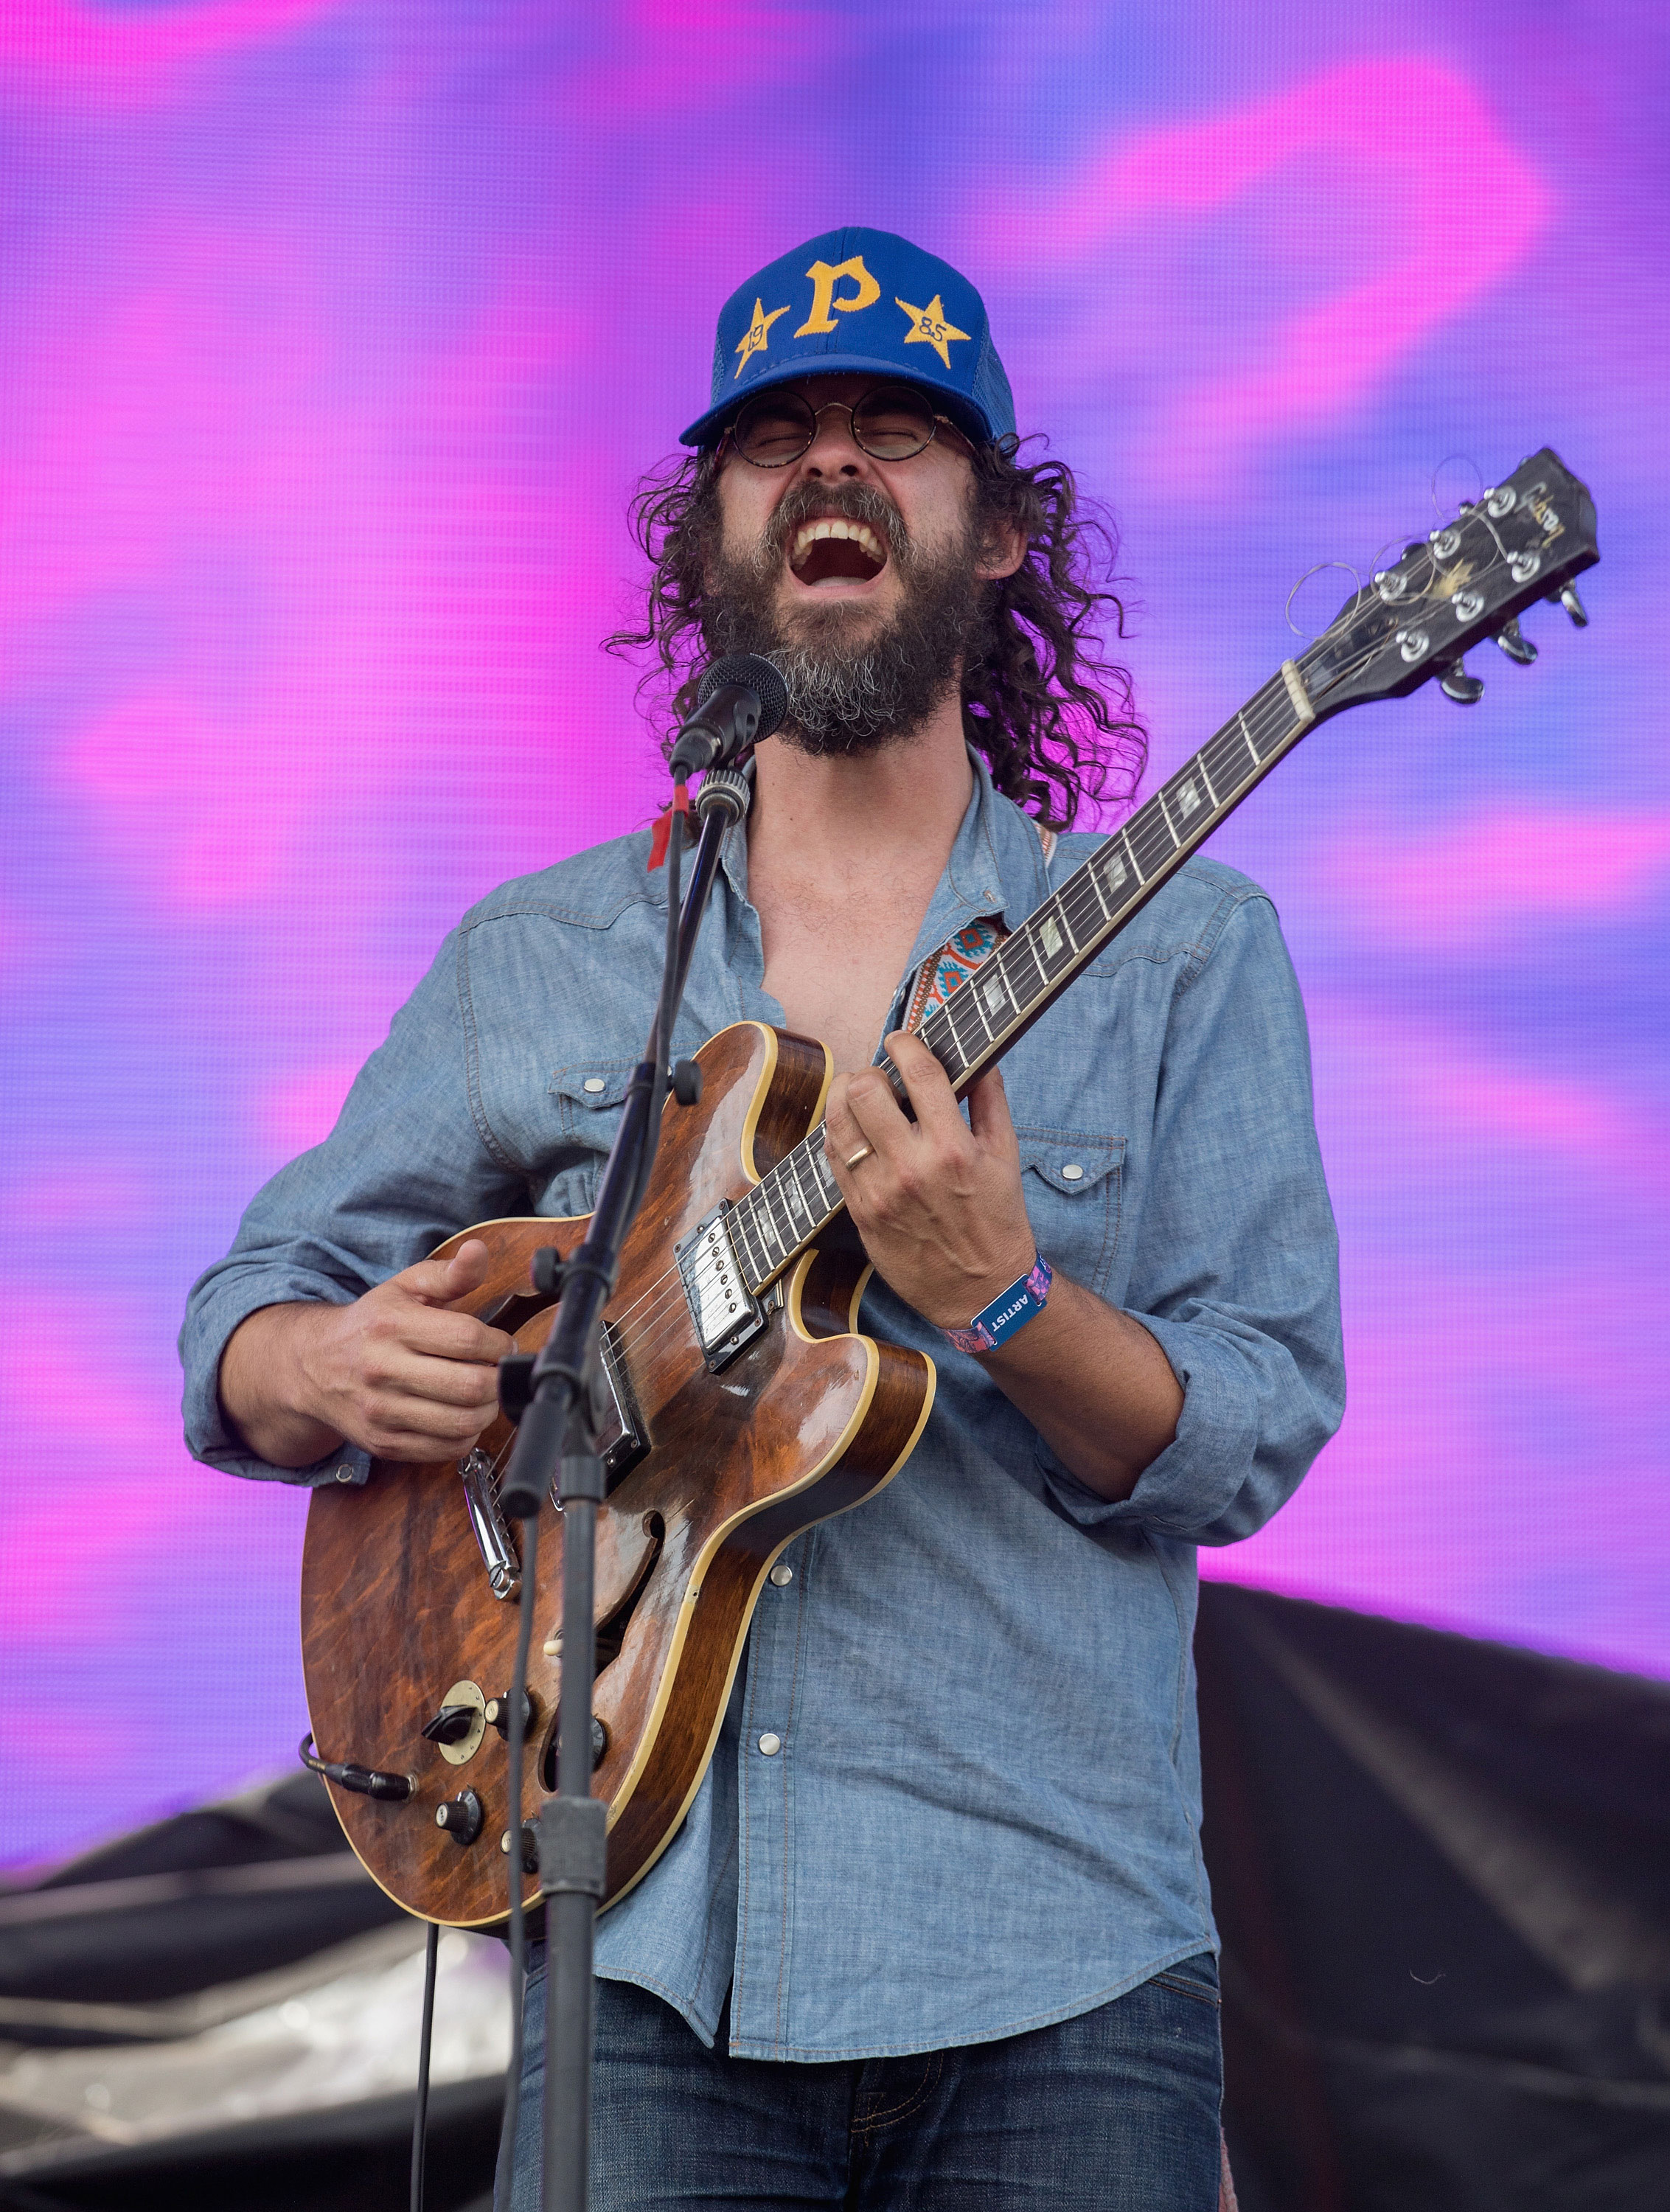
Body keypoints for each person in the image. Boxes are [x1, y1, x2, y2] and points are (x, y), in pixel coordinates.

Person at [182, 226, 1343, 2211]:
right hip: (638, 1958)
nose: (833, 466)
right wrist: (326, 1360)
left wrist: (1004, 1299)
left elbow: (1248, 1428)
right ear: (713, 534)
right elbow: (250, 1313)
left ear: (998, 532)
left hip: (1057, 1959)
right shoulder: (551, 953)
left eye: (898, 431)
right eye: (775, 437)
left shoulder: (1184, 951)